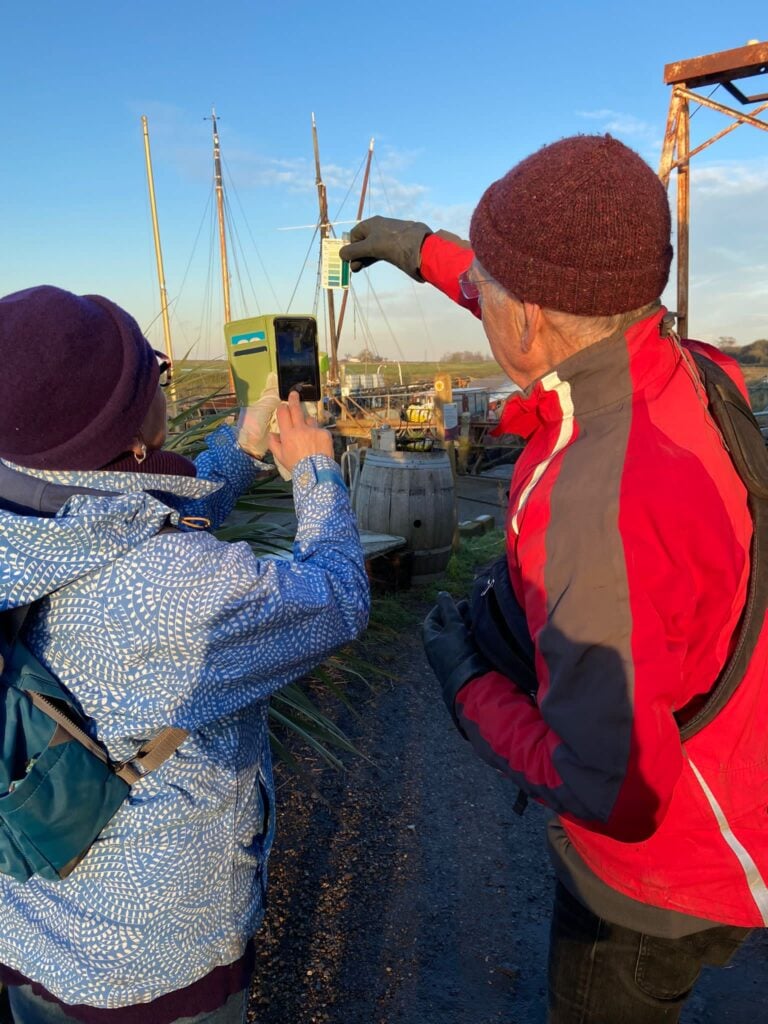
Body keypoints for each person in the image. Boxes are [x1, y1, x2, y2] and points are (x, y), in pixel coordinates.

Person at [340, 135, 768, 1023]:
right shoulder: (688, 364)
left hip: (659, 879)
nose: (475, 294)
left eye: (486, 285)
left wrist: (468, 688)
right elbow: (527, 296)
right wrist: (421, 248)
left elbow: (612, 791)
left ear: (528, 319)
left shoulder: (594, 506)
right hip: (736, 764)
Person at [0, 285, 369, 1022]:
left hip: (30, 920)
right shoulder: (179, 590)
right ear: (129, 430)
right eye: (156, 376)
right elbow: (336, 599)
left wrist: (240, 445)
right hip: (149, 963)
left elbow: (132, 512)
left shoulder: (31, 517)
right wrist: (316, 475)